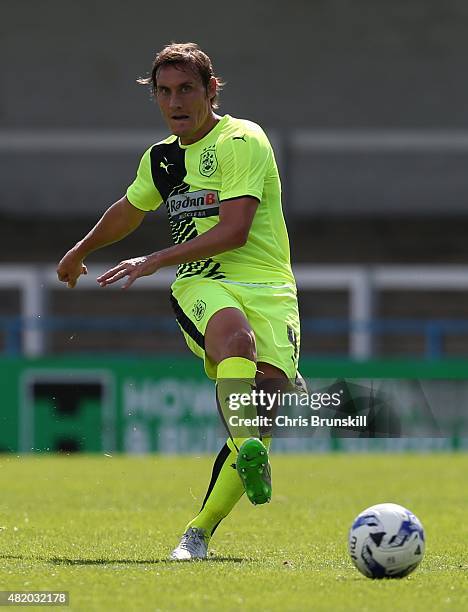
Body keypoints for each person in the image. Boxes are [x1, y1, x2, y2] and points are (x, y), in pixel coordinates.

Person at [57, 42, 300, 560]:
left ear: (211, 90)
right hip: (201, 283)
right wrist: (82, 249)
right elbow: (129, 208)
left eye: (186, 89)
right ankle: (245, 452)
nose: (175, 102)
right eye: (164, 92)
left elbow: (235, 231)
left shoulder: (242, 139)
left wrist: (152, 259)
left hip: (270, 287)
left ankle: (202, 528)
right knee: (237, 340)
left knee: (265, 406)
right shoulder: (161, 159)